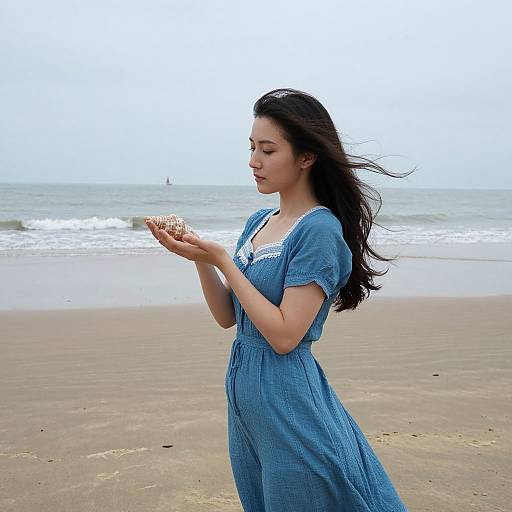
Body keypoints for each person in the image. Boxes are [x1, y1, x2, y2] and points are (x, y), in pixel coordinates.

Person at [146, 88, 414, 511]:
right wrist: (199, 259)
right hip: (246, 401)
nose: (254, 161)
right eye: (252, 148)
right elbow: (226, 316)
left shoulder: (318, 231)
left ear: (306, 157)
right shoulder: (259, 222)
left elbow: (286, 335)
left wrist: (221, 258)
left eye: (268, 150)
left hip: (289, 401)